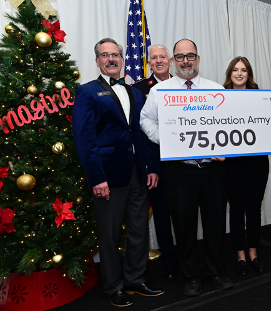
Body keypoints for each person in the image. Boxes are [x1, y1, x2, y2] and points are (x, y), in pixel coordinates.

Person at [73, 38, 164, 307]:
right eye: (105, 55)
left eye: (115, 54)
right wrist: (96, 177)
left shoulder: (136, 93)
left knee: (138, 230)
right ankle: (113, 286)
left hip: (137, 173)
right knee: (110, 235)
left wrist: (151, 166)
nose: (111, 59)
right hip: (108, 177)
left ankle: (135, 279)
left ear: (123, 59)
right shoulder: (87, 92)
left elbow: (143, 134)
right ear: (97, 60)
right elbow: (84, 138)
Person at [140, 39, 233, 297]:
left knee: (215, 222)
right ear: (173, 61)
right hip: (179, 170)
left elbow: (227, 124)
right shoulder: (161, 91)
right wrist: (166, 139)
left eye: (190, 55)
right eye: (180, 57)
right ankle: (191, 275)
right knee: (184, 225)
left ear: (198, 58)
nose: (185, 61)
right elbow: (145, 120)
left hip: (213, 170)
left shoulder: (215, 89)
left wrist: (225, 148)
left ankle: (216, 271)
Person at [133, 44, 178, 281]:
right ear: (149, 63)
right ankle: (170, 262)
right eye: (154, 58)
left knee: (184, 214)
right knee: (161, 215)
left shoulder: (182, 85)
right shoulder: (139, 89)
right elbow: (140, 132)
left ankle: (187, 258)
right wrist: (150, 166)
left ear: (170, 60)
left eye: (162, 57)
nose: (159, 61)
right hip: (157, 163)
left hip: (182, 162)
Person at [222, 57, 269, 276]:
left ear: (249, 74)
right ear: (229, 73)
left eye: (244, 70)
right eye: (235, 70)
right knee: (236, 210)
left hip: (257, 162)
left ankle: (253, 252)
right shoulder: (219, 97)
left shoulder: (260, 97)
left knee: (253, 209)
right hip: (231, 163)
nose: (239, 73)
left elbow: (269, 124)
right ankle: (239, 255)